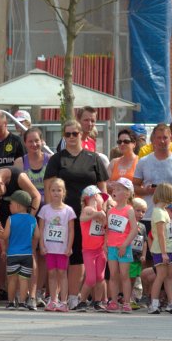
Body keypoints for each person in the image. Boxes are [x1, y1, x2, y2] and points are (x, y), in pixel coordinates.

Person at [45, 118, 109, 309]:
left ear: (82, 134)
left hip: (90, 218)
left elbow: (103, 190)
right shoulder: (57, 159)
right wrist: (50, 213)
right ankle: (62, 297)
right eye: (68, 134)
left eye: (75, 133)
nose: (71, 137)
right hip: (63, 216)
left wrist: (103, 212)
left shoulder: (94, 158)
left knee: (85, 255)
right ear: (64, 136)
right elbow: (49, 188)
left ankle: (80, 297)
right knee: (63, 255)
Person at [0, 190, 38, 309]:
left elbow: (5, 236)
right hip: (27, 255)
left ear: (18, 205)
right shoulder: (32, 219)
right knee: (24, 280)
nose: (9, 206)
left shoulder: (11, 219)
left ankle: (11, 302)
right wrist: (32, 245)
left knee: (12, 280)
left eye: (11, 203)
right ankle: (22, 302)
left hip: (13, 254)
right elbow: (37, 235)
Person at [38, 177, 76, 312]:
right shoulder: (45, 209)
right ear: (49, 192)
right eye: (53, 190)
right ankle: (53, 300)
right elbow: (41, 229)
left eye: (59, 190)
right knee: (52, 274)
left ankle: (64, 302)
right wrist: (41, 245)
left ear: (64, 192)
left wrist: (69, 246)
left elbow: (71, 230)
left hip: (62, 249)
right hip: (49, 249)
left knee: (62, 273)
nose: (56, 193)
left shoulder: (68, 210)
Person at [133, 123, 172, 213]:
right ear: (153, 139)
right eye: (159, 138)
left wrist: (171, 194)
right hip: (148, 214)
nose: (162, 141)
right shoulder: (143, 161)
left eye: (165, 138)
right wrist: (146, 190)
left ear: (170, 138)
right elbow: (134, 186)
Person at [147, 183, 172, 314]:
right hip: (161, 250)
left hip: (169, 249)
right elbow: (160, 234)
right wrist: (163, 253)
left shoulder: (163, 211)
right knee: (161, 276)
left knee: (168, 276)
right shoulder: (158, 212)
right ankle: (154, 304)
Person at [105, 177, 137, 313]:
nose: (115, 192)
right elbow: (107, 229)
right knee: (113, 275)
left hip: (124, 247)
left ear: (127, 194)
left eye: (119, 189)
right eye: (114, 189)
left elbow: (134, 229)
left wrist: (124, 245)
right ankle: (113, 301)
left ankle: (127, 302)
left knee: (124, 275)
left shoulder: (129, 210)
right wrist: (105, 244)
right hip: (112, 247)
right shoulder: (110, 211)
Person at [75, 185, 108, 312]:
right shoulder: (88, 209)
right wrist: (95, 214)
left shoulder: (102, 212)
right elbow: (82, 218)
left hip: (100, 250)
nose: (103, 200)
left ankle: (98, 301)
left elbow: (106, 229)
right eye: (101, 197)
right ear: (94, 197)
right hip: (89, 250)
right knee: (91, 278)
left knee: (100, 277)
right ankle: (82, 301)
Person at [15, 127, 50, 201]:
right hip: (28, 202)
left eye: (37, 140)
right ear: (25, 143)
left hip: (48, 202)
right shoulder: (19, 162)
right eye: (30, 141)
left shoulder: (50, 159)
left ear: (42, 141)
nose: (34, 144)